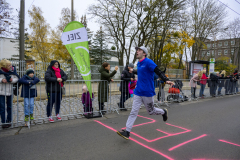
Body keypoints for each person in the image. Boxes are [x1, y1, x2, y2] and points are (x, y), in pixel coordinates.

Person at [117, 46, 174, 140]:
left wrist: (166, 80)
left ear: (144, 53)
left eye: (139, 50)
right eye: (137, 50)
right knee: (133, 111)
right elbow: (140, 72)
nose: (137, 51)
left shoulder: (149, 62)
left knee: (151, 112)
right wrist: (133, 71)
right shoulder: (138, 63)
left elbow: (158, 71)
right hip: (138, 91)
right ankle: (127, 132)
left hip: (148, 92)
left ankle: (163, 112)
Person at [0, 59, 19, 128]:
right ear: (3, 66)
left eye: (10, 65)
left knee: (10, 106)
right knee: (2, 107)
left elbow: (16, 78)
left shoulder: (12, 71)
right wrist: (1, 80)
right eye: (8, 65)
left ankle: (9, 120)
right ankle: (3, 122)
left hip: (10, 91)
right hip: (1, 91)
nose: (10, 66)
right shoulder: (1, 71)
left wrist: (12, 80)